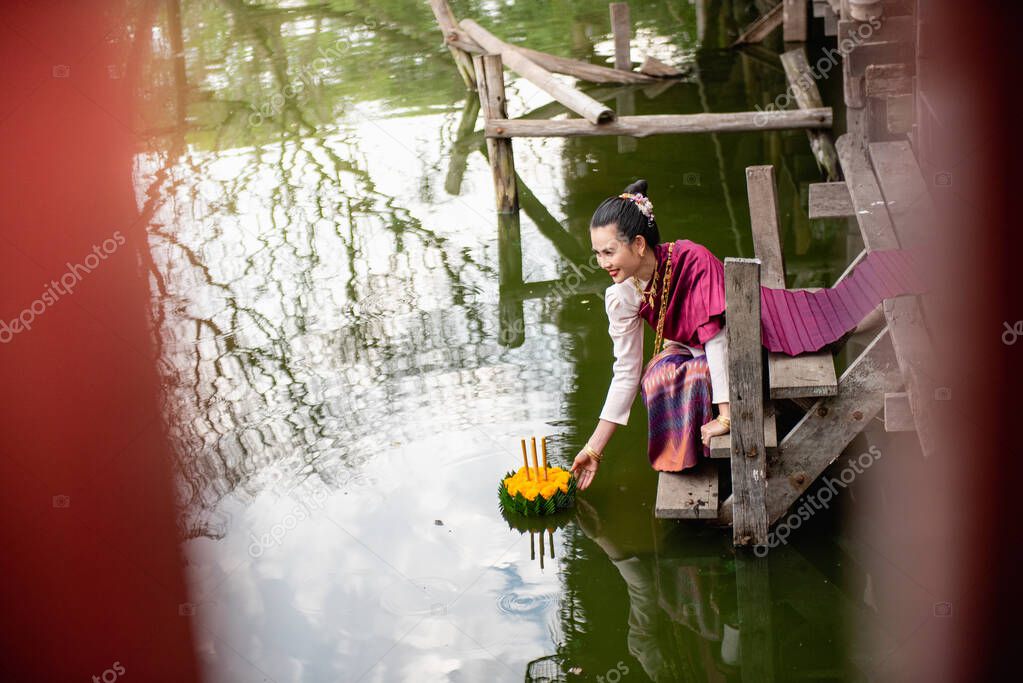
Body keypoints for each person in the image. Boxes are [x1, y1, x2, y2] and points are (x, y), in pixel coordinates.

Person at [571, 179, 927, 491]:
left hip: (752, 328)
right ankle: (684, 453)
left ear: (637, 244)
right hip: (709, 353)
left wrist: (728, 417)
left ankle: (922, 281)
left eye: (608, 251)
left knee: (837, 319)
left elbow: (717, 337)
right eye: (597, 254)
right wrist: (593, 449)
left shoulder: (690, 259)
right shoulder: (620, 295)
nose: (602, 263)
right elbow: (627, 371)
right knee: (659, 374)